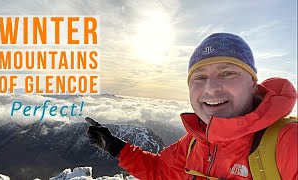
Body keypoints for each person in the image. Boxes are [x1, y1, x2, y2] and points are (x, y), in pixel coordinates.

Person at [86, 33, 297, 180]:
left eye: (227, 73)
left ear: (253, 84)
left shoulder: (288, 143)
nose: (211, 88)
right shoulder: (195, 142)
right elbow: (162, 173)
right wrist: (114, 146)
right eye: (200, 77)